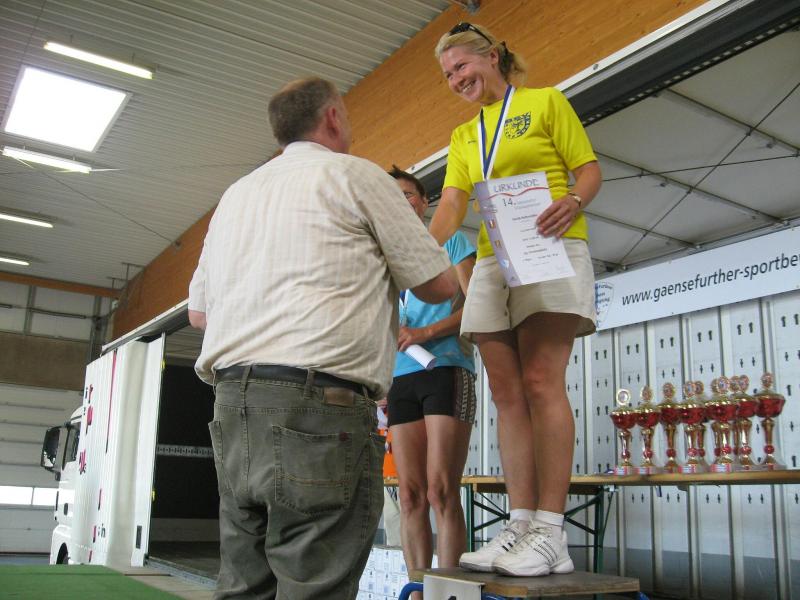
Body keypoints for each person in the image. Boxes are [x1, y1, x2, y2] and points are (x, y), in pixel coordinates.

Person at [187, 76, 457, 600]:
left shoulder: (235, 196)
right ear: (332, 116)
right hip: (317, 406)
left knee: (243, 583)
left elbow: (199, 313)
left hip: (233, 404)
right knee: (315, 582)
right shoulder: (355, 175)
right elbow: (439, 285)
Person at [429, 23, 602, 577]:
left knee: (541, 381)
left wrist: (574, 200)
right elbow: (452, 203)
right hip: (493, 258)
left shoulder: (545, 102)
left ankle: (552, 531)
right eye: (448, 75)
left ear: (492, 56)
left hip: (550, 244)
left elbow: (589, 170)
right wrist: (417, 250)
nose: (456, 79)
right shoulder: (464, 135)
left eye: (462, 66)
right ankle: (520, 524)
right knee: (505, 393)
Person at [385, 167, 477, 588]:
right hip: (401, 378)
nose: (401, 202)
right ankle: (419, 590)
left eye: (408, 194)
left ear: (425, 202)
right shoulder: (388, 257)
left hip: (446, 368)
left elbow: (475, 304)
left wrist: (424, 333)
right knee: (409, 494)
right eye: (393, 196)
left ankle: (448, 591)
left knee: (441, 489)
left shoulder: (452, 241)